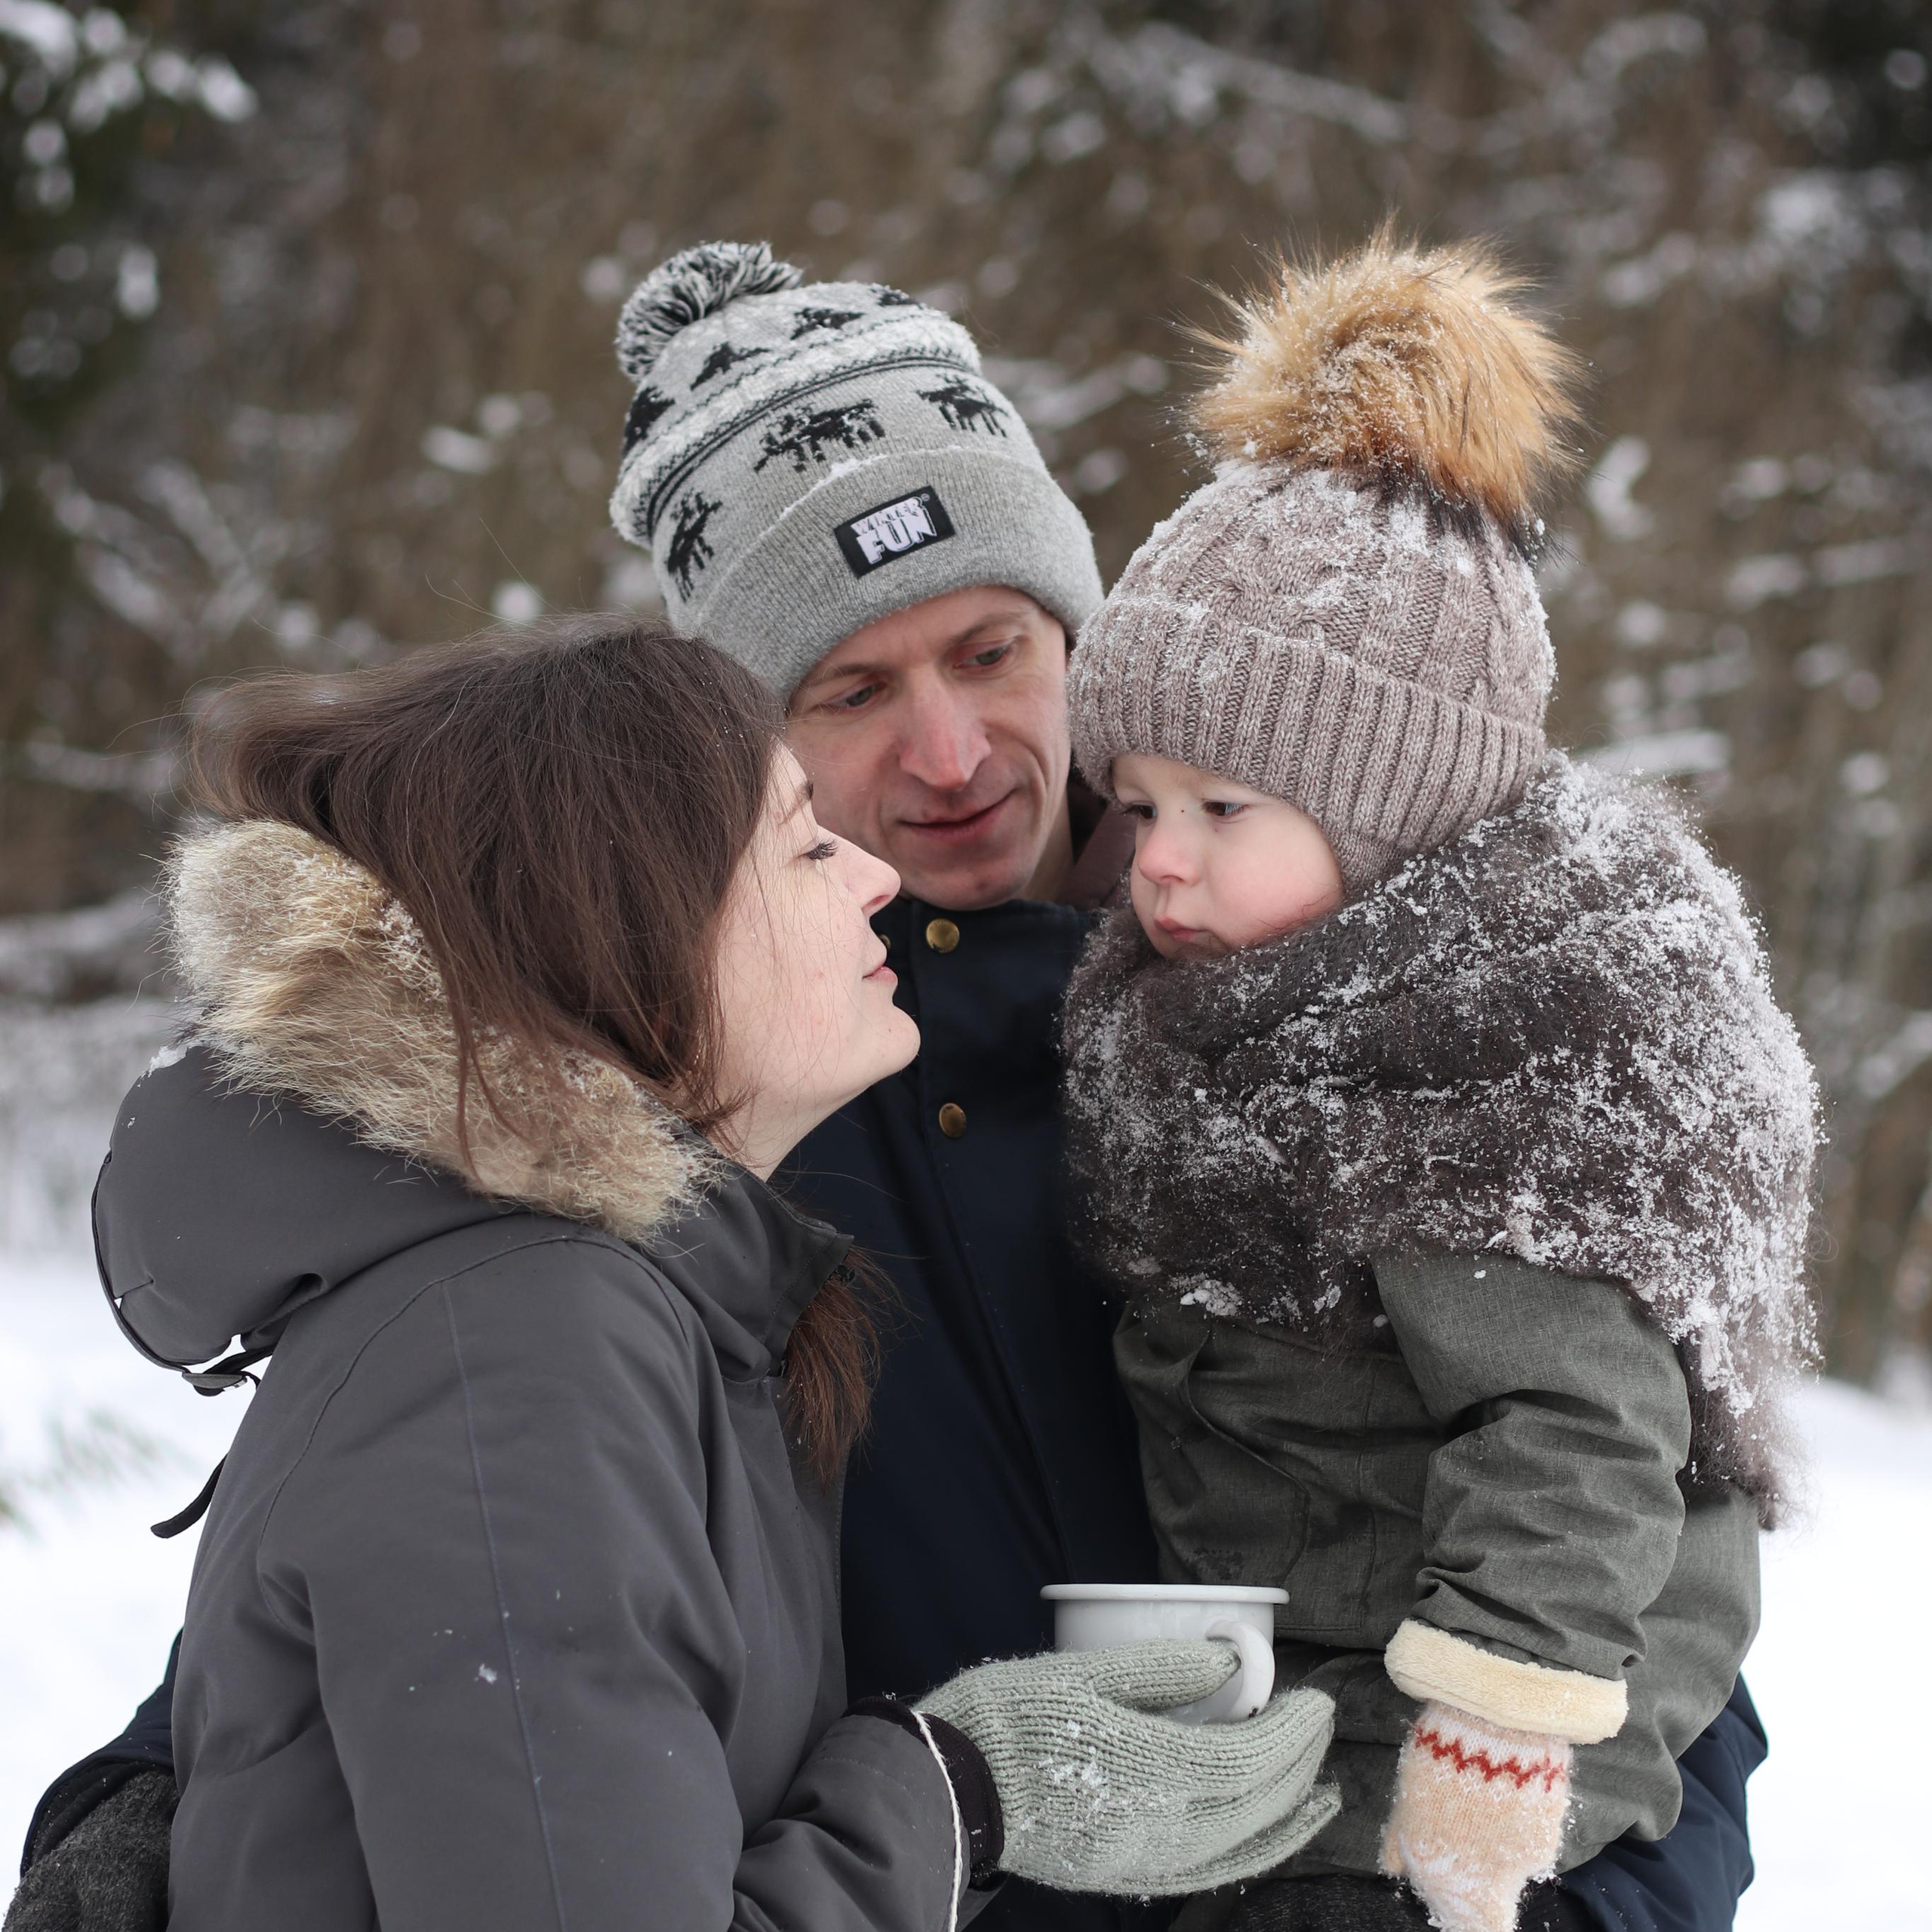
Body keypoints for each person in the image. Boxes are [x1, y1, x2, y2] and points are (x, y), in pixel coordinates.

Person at [11, 245, 1767, 1932]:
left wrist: (1567, 1904)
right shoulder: (712, 1076)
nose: (947, 753)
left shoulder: (1332, 1015)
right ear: (734, 745)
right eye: (849, 690)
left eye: (994, 650)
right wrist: (165, 1772)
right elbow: (457, 1491)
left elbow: (1626, 1553)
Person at [75, 619, 1342, 1930]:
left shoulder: (643, 1292)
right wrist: (970, 1791)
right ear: (629, 933)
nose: (869, 881)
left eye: (994, 654)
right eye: (803, 843)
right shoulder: (523, 1342)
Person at [1057, 235, 1819, 1932]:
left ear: (1390, 815)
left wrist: (1486, 1750)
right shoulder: (1225, 1013)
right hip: (1303, 1704)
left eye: (1223, 811)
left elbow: (1567, 1435)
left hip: (1476, 1745)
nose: (1156, 863)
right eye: (1138, 800)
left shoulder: (1467, 1077)